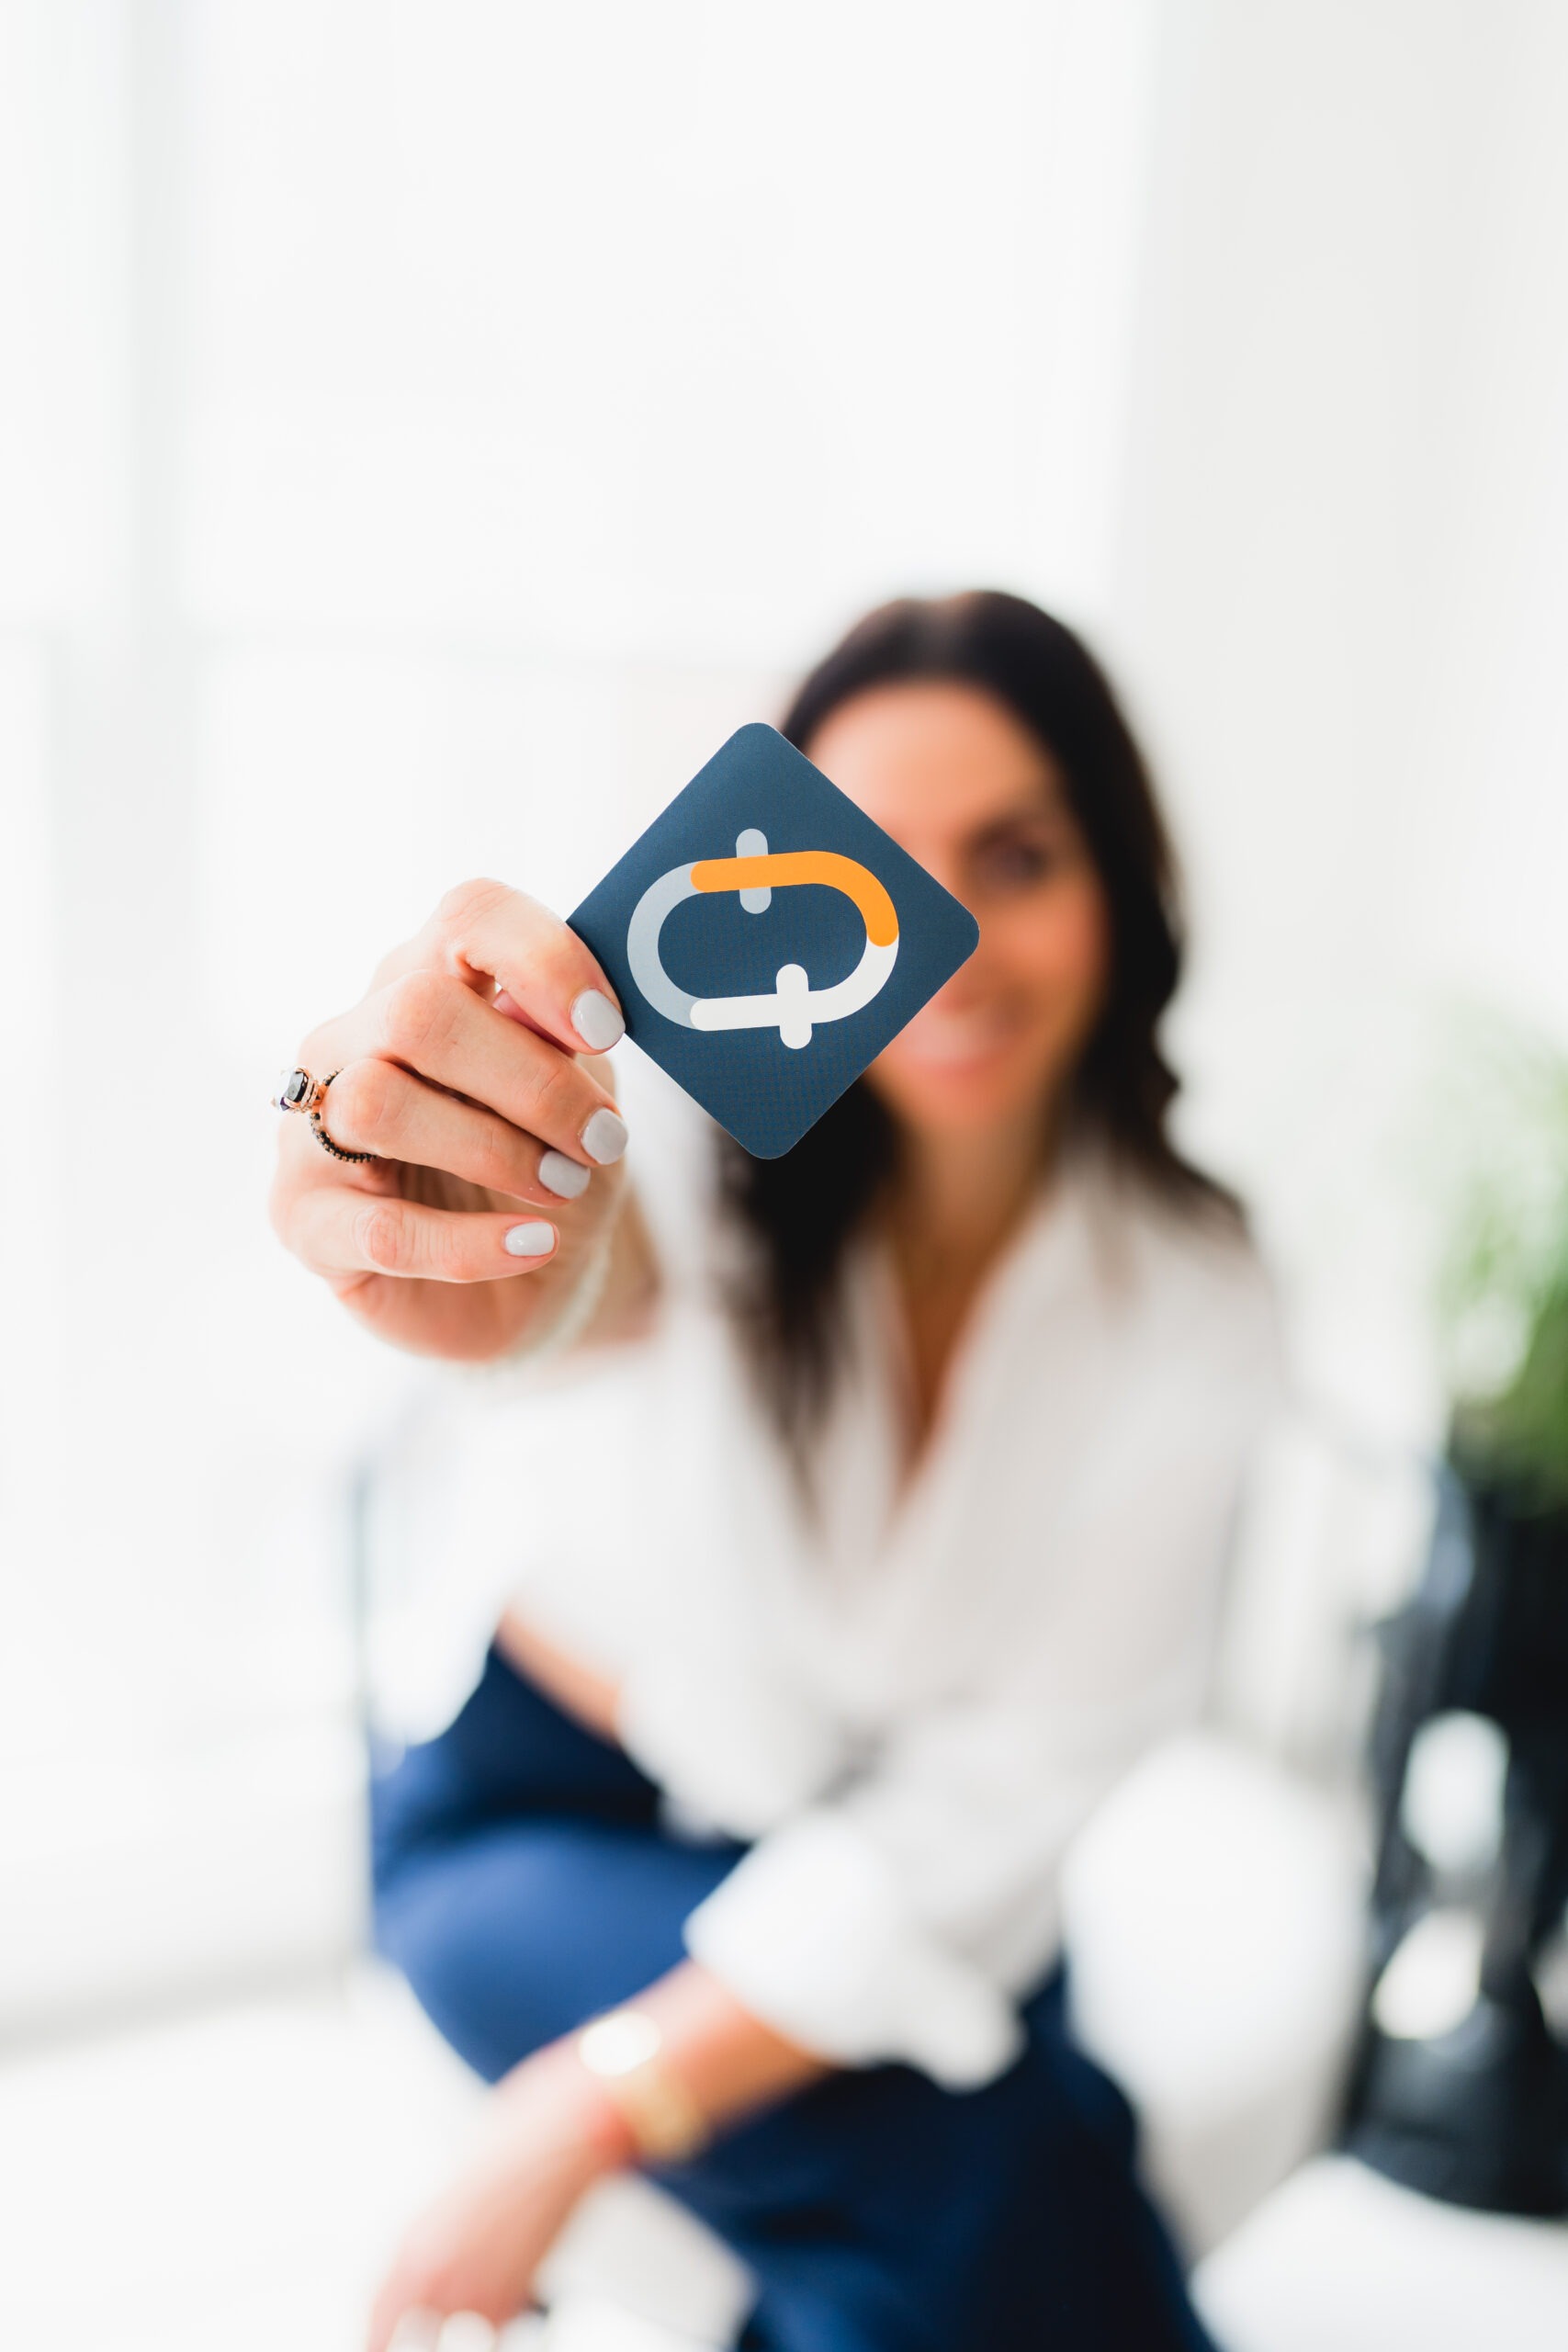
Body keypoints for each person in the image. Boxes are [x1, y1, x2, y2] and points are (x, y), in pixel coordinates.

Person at [271, 592, 1279, 2351]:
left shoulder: (1195, 1300)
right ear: (787, 883)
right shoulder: (681, 1121)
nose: (952, 942)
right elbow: (594, 1270)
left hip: (899, 1849)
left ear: (1123, 885)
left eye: (1017, 856)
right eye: (886, 873)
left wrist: (584, 2109)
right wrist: (479, 1235)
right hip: (549, 1820)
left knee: (964, 2208)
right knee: (1010, 2160)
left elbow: (1001, 1808)